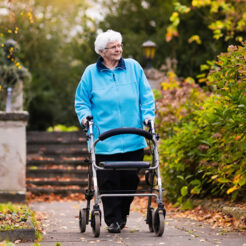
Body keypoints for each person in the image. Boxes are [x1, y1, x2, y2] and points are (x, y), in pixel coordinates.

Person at [74, 29, 155, 233]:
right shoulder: (90, 73)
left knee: (130, 178)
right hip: (104, 139)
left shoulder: (134, 68)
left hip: (133, 136)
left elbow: (146, 96)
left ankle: (122, 214)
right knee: (108, 181)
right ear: (102, 51)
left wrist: (148, 115)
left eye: (120, 45)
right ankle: (112, 219)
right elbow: (82, 101)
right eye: (113, 47)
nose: (119, 49)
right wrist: (85, 117)